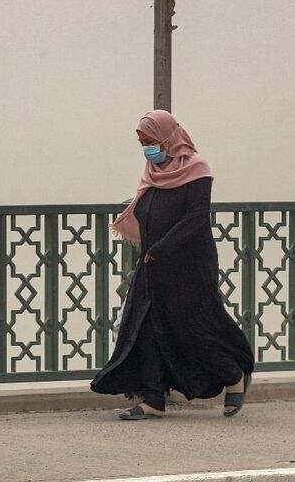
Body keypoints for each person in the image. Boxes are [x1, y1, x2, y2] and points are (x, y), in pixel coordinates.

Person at [91, 109, 255, 420]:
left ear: (167, 137)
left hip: (189, 264)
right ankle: (153, 398)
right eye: (141, 141)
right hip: (154, 261)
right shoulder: (153, 171)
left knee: (193, 326)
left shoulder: (197, 169)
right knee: (147, 325)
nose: (146, 147)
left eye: (150, 140)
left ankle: (233, 376)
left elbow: (196, 217)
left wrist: (163, 248)